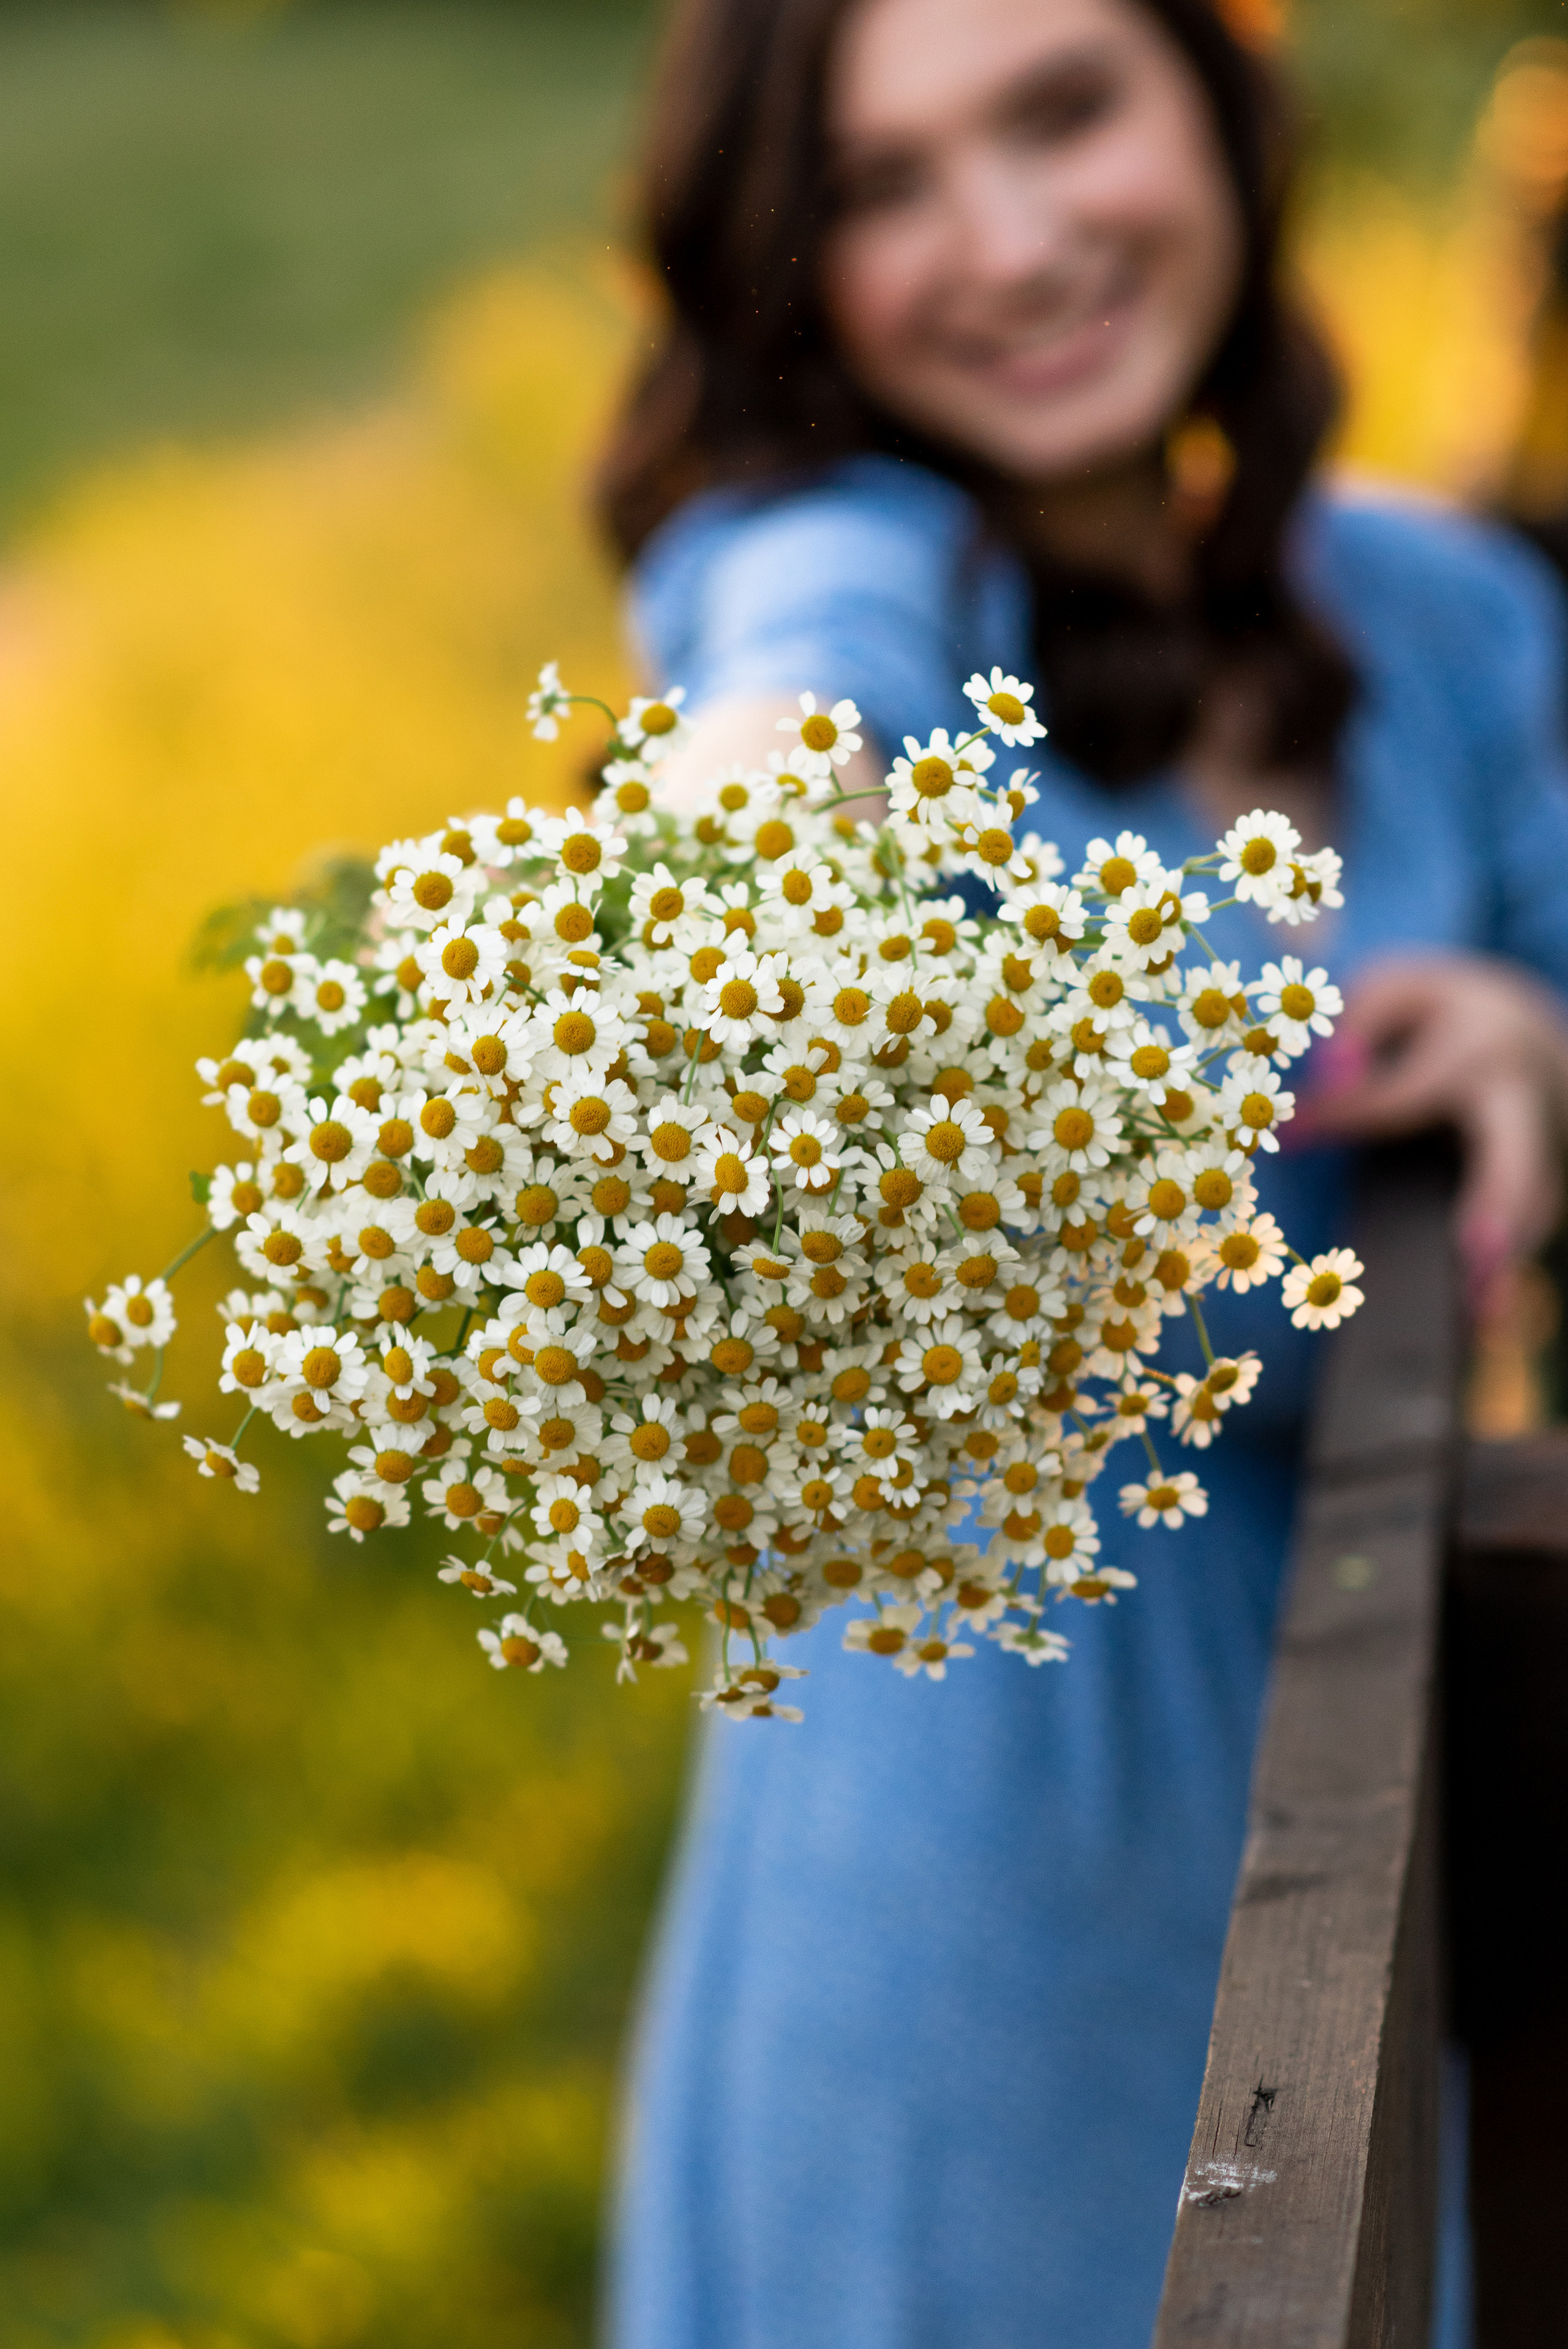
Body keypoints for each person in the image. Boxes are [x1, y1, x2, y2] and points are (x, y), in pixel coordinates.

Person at [595, 0, 1568, 2340]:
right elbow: (779, 704)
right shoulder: (855, 568)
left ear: (1215, 111)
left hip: (1383, 1801)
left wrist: (1538, 1034)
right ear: (786, 258)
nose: (1014, 243)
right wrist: (732, 857)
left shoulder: (1445, 615)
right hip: (971, 1875)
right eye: (882, 184)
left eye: (1063, 110)